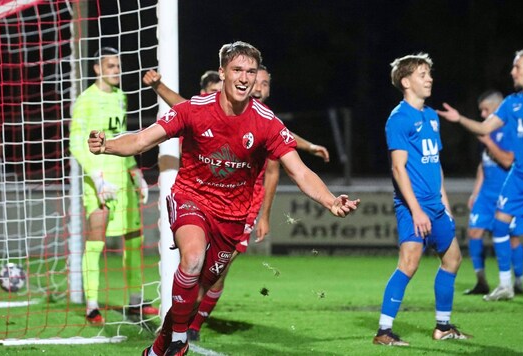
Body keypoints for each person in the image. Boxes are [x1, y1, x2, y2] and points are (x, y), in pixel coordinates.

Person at [90, 41, 359, 356]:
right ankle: (179, 341)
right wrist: (107, 145)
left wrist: (330, 201)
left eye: (250, 71)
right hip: (191, 196)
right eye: (237, 70)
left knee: (203, 287)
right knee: (191, 259)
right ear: (223, 73)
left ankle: (161, 344)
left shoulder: (266, 122)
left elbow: (299, 172)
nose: (245, 78)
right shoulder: (194, 109)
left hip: (232, 215)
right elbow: (141, 140)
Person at [143, 64, 331, 342]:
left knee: (214, 274)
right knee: (196, 263)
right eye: (259, 82)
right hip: (206, 200)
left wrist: (264, 215)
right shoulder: (221, 112)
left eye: (265, 83)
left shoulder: (266, 122)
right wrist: (159, 87)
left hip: (241, 210)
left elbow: (277, 166)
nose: (260, 88)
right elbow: (184, 107)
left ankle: (188, 326)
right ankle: (180, 329)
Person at [437, 49, 523, 304]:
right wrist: (459, 119)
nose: (513, 72)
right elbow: (484, 128)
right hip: (518, 176)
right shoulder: (512, 103)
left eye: (517, 67)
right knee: (499, 225)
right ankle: (505, 286)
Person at [373, 53, 470, 346]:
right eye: (422, 74)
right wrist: (416, 210)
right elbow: (398, 168)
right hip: (412, 206)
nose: (429, 79)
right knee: (409, 263)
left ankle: (442, 327)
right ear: (406, 81)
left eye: (429, 73)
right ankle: (383, 332)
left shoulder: (430, 116)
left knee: (453, 260)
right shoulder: (399, 118)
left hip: (435, 207)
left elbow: (434, 163)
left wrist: (445, 204)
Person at [69, 47, 157, 325]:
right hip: (98, 181)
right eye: (110, 66)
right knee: (96, 241)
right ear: (97, 69)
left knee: (134, 240)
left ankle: (135, 301)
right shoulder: (85, 100)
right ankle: (92, 305)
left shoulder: (121, 97)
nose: (116, 70)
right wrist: (96, 177)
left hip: (122, 177)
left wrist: (136, 174)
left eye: (118, 66)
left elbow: (123, 139)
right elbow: (76, 143)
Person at [465, 90, 523, 297]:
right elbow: (484, 165)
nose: (483, 114)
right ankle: (481, 281)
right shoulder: (488, 130)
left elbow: (509, 160)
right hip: (486, 194)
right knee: (474, 232)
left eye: (486, 109)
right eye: (481, 110)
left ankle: (518, 281)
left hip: (509, 193)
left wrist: (489, 142)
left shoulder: (512, 129)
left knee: (513, 240)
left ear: (499, 109)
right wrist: (475, 193)